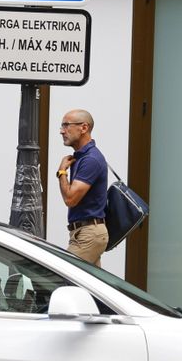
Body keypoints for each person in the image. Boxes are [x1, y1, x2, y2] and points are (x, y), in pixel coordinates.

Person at [56, 109, 109, 265]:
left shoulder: (90, 160)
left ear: (84, 128)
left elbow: (71, 199)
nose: (61, 131)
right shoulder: (82, 157)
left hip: (88, 235)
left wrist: (61, 172)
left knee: (63, 278)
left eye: (66, 125)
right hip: (86, 233)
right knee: (89, 287)